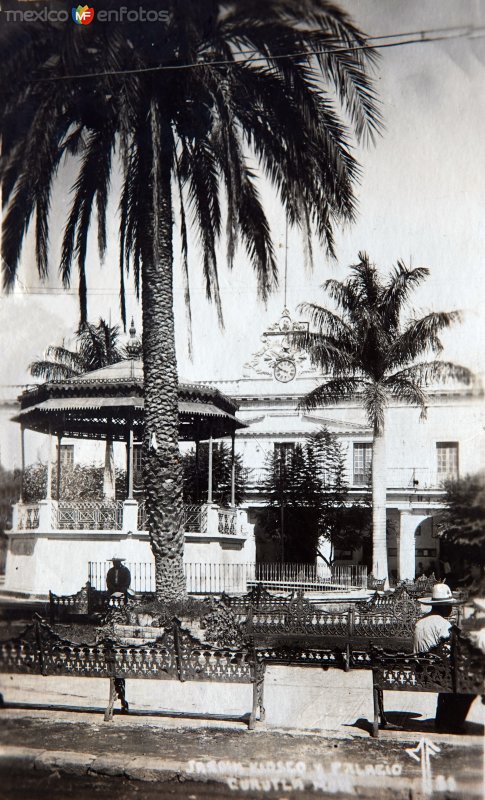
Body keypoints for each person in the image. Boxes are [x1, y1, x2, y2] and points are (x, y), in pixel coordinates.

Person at [414, 583, 475, 733]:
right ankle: (453, 723)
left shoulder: (421, 621)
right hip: (435, 673)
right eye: (448, 605)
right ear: (441, 607)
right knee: (470, 687)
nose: (451, 608)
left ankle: (442, 721)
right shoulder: (442, 624)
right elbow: (452, 651)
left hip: (420, 671)